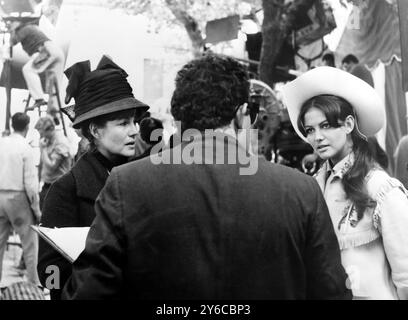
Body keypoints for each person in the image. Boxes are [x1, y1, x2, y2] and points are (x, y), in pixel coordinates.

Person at [62, 54, 351, 300]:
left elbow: (89, 291)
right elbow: (331, 291)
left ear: (178, 117)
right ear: (240, 115)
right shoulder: (301, 190)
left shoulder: (127, 184)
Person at [282, 66, 408, 299]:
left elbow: (406, 275)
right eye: (310, 129)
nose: (317, 137)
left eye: (326, 125)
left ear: (349, 125)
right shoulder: (313, 187)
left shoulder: (380, 188)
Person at [37, 55, 149, 300]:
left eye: (134, 121)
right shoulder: (65, 190)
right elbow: (48, 271)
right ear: (96, 131)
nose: (134, 131)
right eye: (123, 123)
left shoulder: (144, 179)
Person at [0, 113, 41, 286]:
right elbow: (31, 184)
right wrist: (37, 209)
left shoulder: (1, 143)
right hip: (18, 198)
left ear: (12, 124)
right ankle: (34, 284)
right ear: (27, 127)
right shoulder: (26, 147)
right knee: (30, 244)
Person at [9, 20, 65, 115]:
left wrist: (12, 31)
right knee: (52, 84)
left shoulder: (23, 30)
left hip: (48, 51)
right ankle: (53, 112)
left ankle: (39, 99)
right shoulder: (31, 28)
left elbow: (12, 42)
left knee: (28, 69)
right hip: (56, 52)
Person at [34, 116, 72, 209]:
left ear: (48, 130)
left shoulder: (60, 142)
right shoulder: (48, 140)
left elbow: (51, 167)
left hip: (58, 186)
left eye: (41, 132)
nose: (40, 136)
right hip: (48, 184)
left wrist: (42, 149)